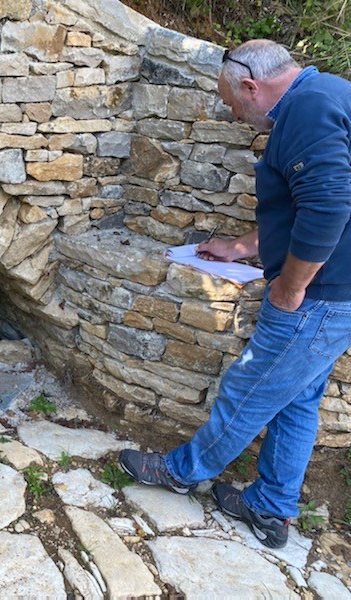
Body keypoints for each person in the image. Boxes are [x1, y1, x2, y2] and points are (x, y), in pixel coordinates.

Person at [119, 39, 351, 549]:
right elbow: (303, 204)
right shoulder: (330, 93)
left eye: (232, 100)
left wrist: (291, 287)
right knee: (297, 400)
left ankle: (182, 471)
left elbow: (329, 205)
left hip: (319, 295)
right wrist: (244, 246)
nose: (232, 112)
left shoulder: (308, 111)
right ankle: (270, 507)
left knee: (249, 388)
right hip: (338, 292)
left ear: (253, 85)